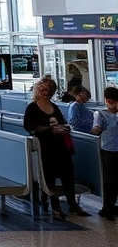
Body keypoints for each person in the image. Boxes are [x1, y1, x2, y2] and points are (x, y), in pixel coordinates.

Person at [23, 78, 89, 220]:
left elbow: (63, 122)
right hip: (45, 148)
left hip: (60, 147)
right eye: (42, 87)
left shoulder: (54, 107)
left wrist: (63, 128)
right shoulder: (32, 107)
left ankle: (72, 204)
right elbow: (28, 126)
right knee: (49, 177)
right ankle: (55, 207)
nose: (44, 90)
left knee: (68, 174)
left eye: (48, 88)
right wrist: (49, 129)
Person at [92, 86, 118, 221]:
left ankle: (113, 205)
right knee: (110, 180)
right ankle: (106, 208)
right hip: (108, 149)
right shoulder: (100, 114)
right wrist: (97, 129)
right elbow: (95, 128)